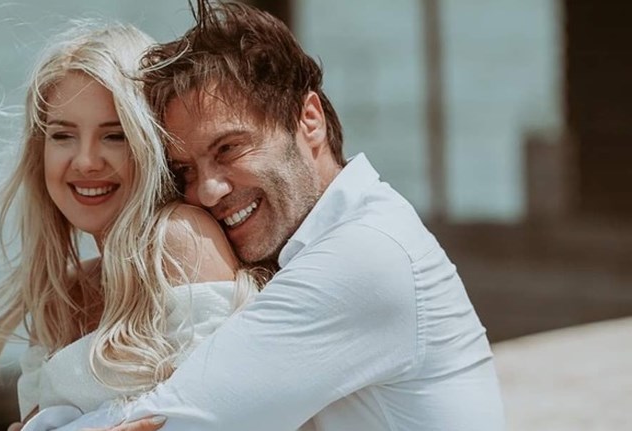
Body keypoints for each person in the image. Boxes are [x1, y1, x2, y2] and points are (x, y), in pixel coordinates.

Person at [67, 1, 507, 430]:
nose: (207, 190)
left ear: (309, 119)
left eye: (229, 148)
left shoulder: (365, 256)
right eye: (186, 171)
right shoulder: (335, 237)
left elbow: (175, 419)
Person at [0, 21, 262, 431]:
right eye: (62, 136)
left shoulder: (180, 238)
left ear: (151, 142)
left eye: (114, 136)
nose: (86, 161)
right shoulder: (63, 296)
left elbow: (229, 414)